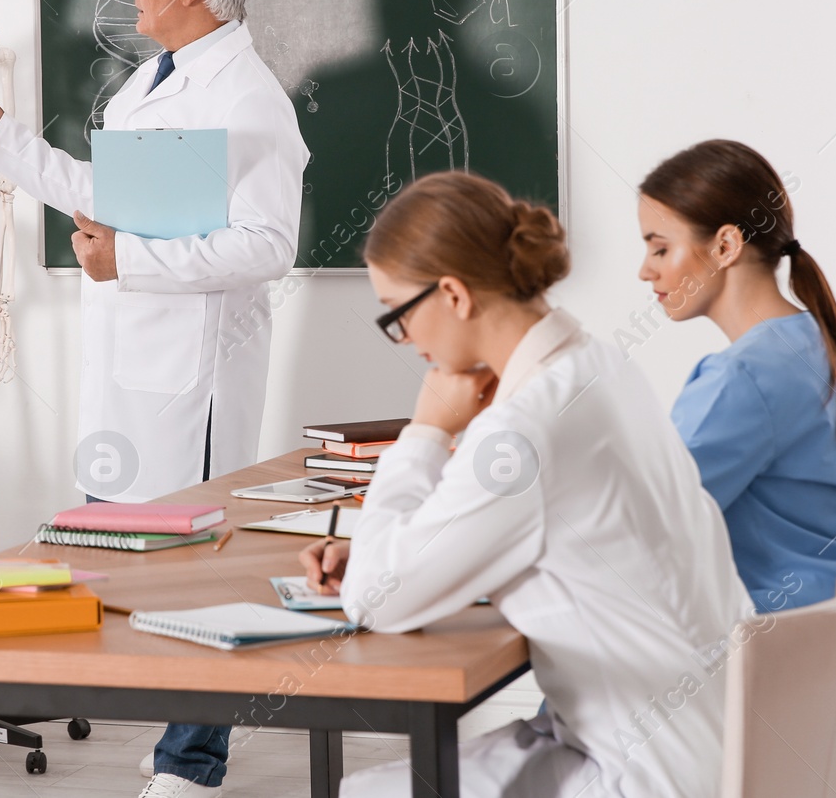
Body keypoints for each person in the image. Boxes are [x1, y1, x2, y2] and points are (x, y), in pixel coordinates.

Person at [0, 0, 309, 797]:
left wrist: (132, 259)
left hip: (192, 379)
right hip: (126, 368)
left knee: (200, 573)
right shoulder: (150, 82)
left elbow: (270, 245)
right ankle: (178, 735)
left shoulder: (246, 94)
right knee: (122, 558)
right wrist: (3, 140)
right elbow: (101, 197)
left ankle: (195, 761)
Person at [300, 171, 753, 798]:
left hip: (647, 772)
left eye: (397, 316)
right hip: (713, 741)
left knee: (365, 794)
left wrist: (426, 429)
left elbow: (376, 600)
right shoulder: (601, 364)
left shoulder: (523, 429)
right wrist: (409, 544)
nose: (406, 341)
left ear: (453, 295)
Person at [635, 139, 836, 776]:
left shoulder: (746, 376)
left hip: (799, 694)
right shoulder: (810, 340)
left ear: (726, 246)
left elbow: (647, 522)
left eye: (659, 247)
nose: (646, 272)